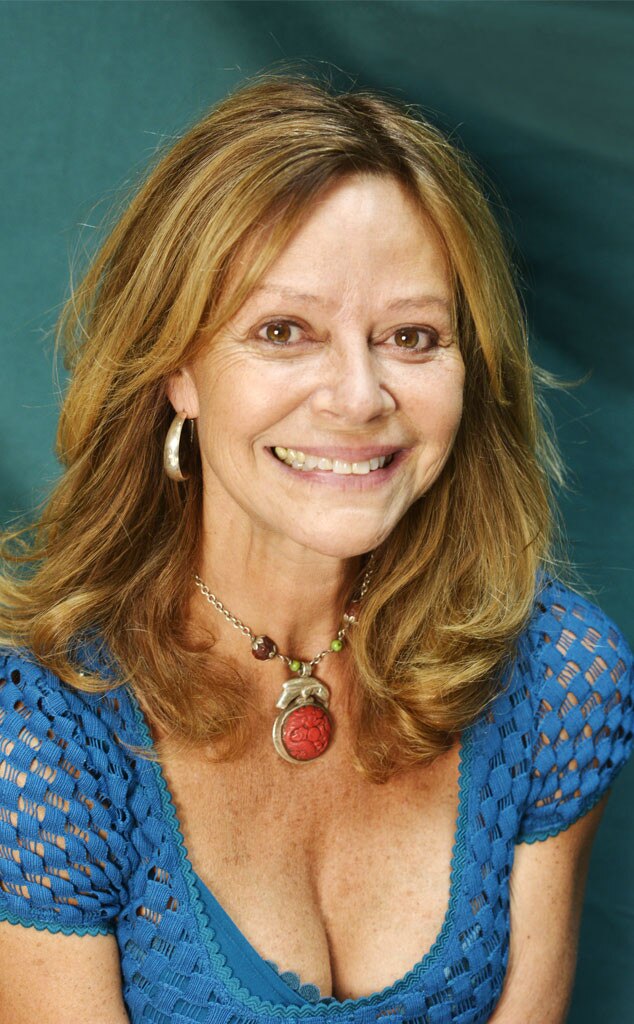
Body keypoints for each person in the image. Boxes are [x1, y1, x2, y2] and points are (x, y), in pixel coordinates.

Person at [0, 69, 632, 1024]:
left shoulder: (558, 680)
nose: (359, 397)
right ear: (178, 370)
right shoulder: (45, 735)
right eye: (284, 331)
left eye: (411, 336)